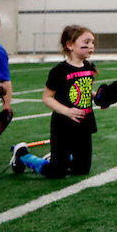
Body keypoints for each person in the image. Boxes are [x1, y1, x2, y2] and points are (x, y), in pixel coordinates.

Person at [11, 26, 99, 179]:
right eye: (86, 42)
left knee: (82, 170)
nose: (91, 46)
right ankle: (22, 155)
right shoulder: (59, 71)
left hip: (84, 123)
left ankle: (59, 159)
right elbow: (47, 97)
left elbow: (83, 90)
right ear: (70, 45)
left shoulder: (89, 68)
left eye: (92, 42)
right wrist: (66, 111)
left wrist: (99, 97)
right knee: (57, 173)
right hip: (63, 124)